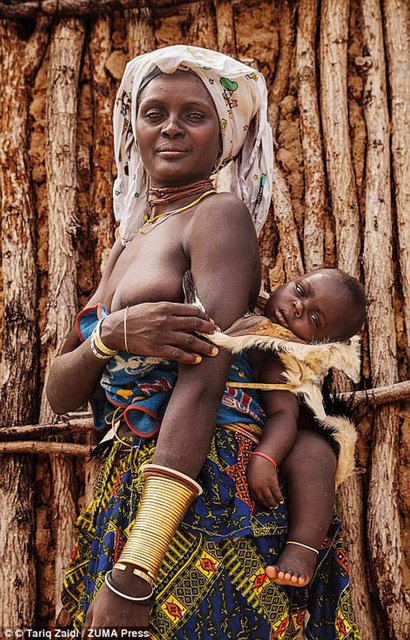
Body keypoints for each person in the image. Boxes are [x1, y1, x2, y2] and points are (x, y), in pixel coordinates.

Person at [48, 46, 360, 639]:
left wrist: (137, 568)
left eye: (194, 115)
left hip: (204, 496)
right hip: (132, 483)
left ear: (226, 134)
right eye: (154, 112)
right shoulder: (125, 245)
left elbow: (203, 378)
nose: (169, 127)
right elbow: (60, 389)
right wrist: (109, 338)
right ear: (131, 126)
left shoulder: (219, 216)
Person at [244, 268, 366, 587]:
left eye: (313, 320)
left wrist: (266, 457)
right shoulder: (238, 315)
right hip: (234, 424)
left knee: (315, 455)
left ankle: (302, 549)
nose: (298, 307)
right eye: (300, 291)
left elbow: (284, 417)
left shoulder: (281, 358)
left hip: (282, 435)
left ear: (321, 343)